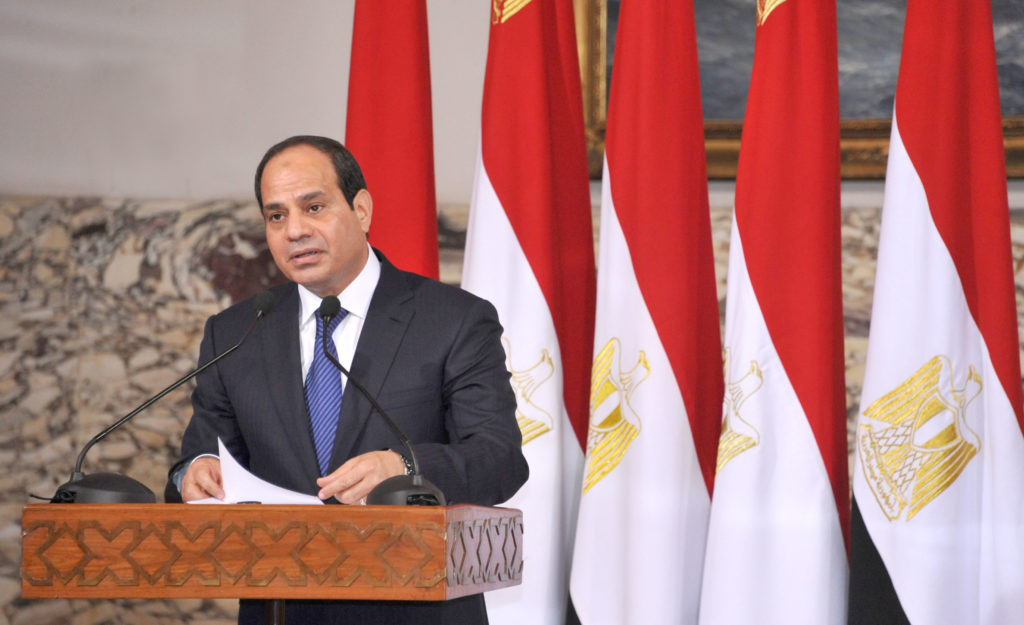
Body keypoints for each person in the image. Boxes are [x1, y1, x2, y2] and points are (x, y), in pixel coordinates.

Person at [168, 135, 528, 624]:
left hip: (416, 610)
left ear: (361, 210)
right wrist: (195, 472)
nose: (295, 231)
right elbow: (202, 454)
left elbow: (499, 460)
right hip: (279, 608)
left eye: (313, 207)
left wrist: (405, 467)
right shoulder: (236, 332)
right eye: (276, 216)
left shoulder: (453, 320)